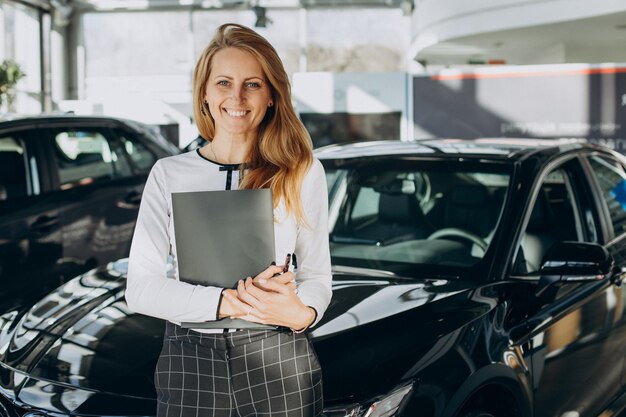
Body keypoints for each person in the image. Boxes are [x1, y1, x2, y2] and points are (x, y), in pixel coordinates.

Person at [125, 23, 332, 417]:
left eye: (252, 84)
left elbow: (318, 276)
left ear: (272, 95)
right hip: (189, 359)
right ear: (204, 92)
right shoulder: (168, 173)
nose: (236, 97)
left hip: (278, 354)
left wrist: (302, 314)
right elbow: (140, 288)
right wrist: (224, 301)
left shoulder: (302, 172)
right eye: (223, 82)